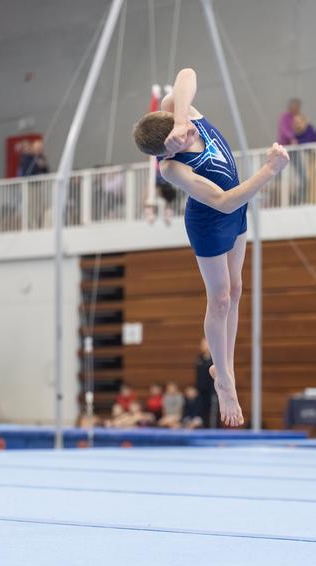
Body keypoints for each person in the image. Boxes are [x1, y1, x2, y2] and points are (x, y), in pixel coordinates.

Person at [133, 67, 289, 426]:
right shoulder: (171, 168)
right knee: (220, 298)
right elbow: (222, 201)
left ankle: (224, 368)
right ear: (167, 149)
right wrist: (269, 171)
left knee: (237, 290)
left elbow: (186, 73)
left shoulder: (182, 115)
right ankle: (226, 381)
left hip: (237, 210)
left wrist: (180, 118)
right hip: (212, 221)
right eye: (177, 134)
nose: (185, 129)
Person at [195, 337, 217, 427]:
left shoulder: (214, 359)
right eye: (203, 344)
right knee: (203, 413)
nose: (204, 345)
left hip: (213, 391)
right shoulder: (199, 360)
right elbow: (198, 377)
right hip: (202, 392)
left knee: (213, 414)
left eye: (206, 343)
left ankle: (214, 432)